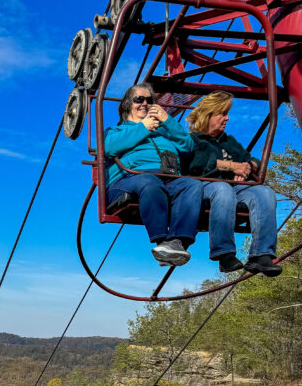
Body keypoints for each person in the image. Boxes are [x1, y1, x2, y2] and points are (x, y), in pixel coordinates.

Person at [105, 83, 202, 267]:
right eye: (139, 99)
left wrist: (167, 121)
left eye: (149, 100)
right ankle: (161, 241)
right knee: (150, 182)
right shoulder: (116, 131)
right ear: (127, 104)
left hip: (169, 178)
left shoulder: (163, 133)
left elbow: (187, 146)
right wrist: (143, 127)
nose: (144, 103)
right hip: (129, 179)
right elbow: (109, 147)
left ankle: (177, 243)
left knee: (192, 185)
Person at [186, 90, 281, 277]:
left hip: (235, 189)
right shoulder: (193, 141)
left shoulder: (228, 141)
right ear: (209, 114)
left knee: (264, 192)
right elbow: (194, 163)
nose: (227, 118)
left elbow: (253, 161)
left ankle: (261, 254)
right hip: (205, 186)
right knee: (222, 190)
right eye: (223, 113)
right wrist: (231, 167)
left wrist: (247, 166)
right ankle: (224, 253)